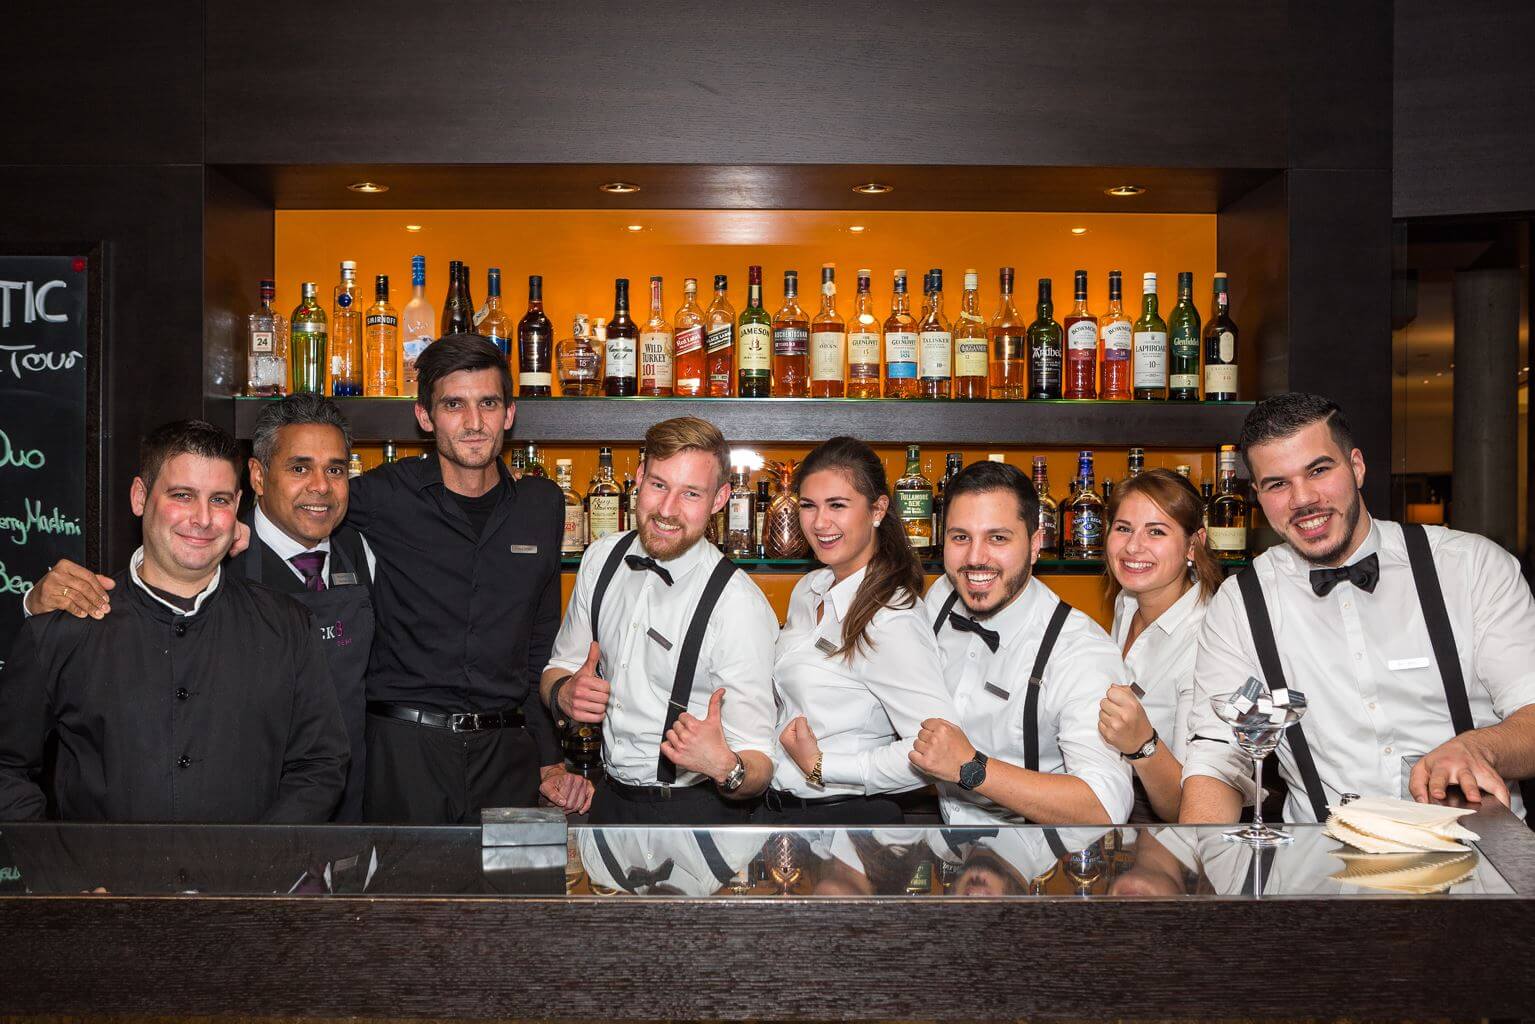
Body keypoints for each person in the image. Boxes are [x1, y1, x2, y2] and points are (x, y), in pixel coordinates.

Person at [1181, 392, 1535, 824]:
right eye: (1278, 484)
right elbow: (1218, 753)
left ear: (1357, 466)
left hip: (1477, 852)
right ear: (1256, 494)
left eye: (1319, 470)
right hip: (1324, 860)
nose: (1303, 499)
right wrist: (1200, 873)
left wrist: (1479, 747)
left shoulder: (1471, 567)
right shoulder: (1241, 602)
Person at [35, 394, 380, 821]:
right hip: (216, 830)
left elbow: (328, 751)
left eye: (336, 470)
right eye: (299, 467)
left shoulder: (359, 549)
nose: (321, 486)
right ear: (256, 476)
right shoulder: (207, 559)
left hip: (332, 816)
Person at [345, 333, 590, 823]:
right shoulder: (381, 496)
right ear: (425, 416)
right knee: (409, 901)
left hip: (510, 758)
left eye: (488, 403)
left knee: (520, 896)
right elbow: (298, 511)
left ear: (509, 414)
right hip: (404, 757)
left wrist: (549, 760)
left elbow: (538, 645)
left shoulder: (541, 505)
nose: (474, 423)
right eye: (453, 404)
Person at [541, 416, 778, 824]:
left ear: (720, 499)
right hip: (607, 802)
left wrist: (725, 767)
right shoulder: (601, 559)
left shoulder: (738, 605)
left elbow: (761, 762)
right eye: (658, 485)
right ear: (638, 477)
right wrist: (564, 692)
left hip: (699, 815)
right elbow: (557, 668)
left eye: (690, 493)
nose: (667, 510)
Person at [908, 459, 1133, 825]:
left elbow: (1105, 806)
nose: (975, 558)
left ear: (1034, 544)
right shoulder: (940, 599)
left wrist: (972, 768)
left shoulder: (1080, 650)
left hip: (1038, 863)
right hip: (942, 842)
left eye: (997, 538)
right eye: (960, 537)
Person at [758, 436, 954, 825]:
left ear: (878, 509)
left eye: (838, 506)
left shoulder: (891, 616)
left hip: (849, 825)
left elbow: (937, 749)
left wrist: (823, 768)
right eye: (809, 506)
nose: (819, 523)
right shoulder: (809, 589)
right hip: (782, 814)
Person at [1098, 469, 1220, 822]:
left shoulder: (1208, 640)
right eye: (1123, 528)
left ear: (1193, 544)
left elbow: (1187, 806)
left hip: (1168, 830)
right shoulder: (1129, 600)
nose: (1133, 547)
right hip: (1116, 803)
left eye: (1156, 531)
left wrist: (1142, 744)